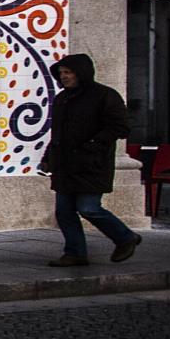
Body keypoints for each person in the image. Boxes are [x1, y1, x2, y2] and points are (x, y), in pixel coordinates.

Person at [41, 53, 139, 267]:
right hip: (66, 165)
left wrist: (93, 145)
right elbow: (58, 133)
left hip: (91, 164)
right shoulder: (62, 99)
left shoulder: (105, 96)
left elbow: (120, 126)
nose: (64, 77)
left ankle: (125, 237)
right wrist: (48, 157)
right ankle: (75, 252)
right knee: (64, 211)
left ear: (81, 73)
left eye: (68, 72)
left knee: (89, 208)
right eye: (61, 73)